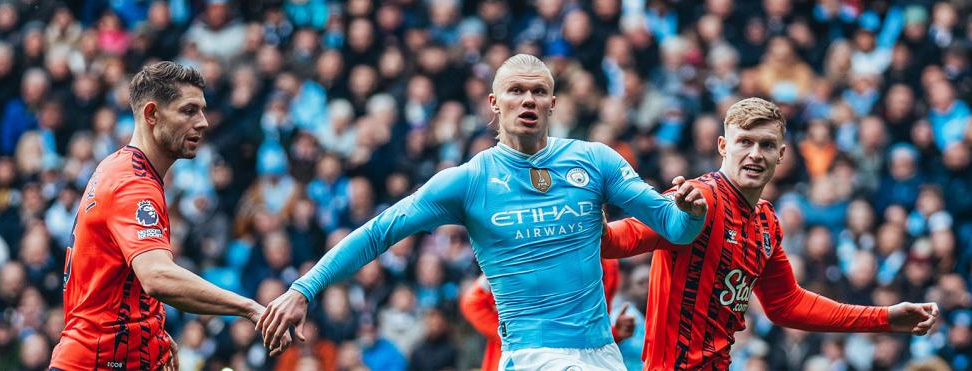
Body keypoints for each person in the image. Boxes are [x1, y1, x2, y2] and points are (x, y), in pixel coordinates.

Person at [258, 54, 706, 370]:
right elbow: (379, 232)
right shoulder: (468, 181)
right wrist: (304, 288)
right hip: (531, 356)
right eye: (516, 91)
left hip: (601, 354)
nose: (528, 100)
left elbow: (673, 227)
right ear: (495, 103)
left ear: (553, 104)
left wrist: (689, 211)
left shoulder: (596, 161)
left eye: (539, 92)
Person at [601, 97, 940, 370]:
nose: (755, 154)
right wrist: (584, 211)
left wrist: (884, 318)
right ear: (722, 146)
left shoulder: (766, 221)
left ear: (781, 154)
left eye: (766, 145)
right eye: (744, 142)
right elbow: (618, 239)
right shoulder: (696, 197)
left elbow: (786, 303)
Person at [49, 62, 286, 370]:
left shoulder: (119, 167)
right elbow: (157, 276)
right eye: (188, 111)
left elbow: (116, 277)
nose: (202, 122)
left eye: (201, 110)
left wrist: (152, 334)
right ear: (152, 114)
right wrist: (249, 308)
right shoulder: (133, 185)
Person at [460, 258, 635, 371]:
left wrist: (613, 332)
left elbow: (589, 328)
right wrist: (521, 338)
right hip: (519, 361)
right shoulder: (531, 251)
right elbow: (473, 303)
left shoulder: (609, 263)